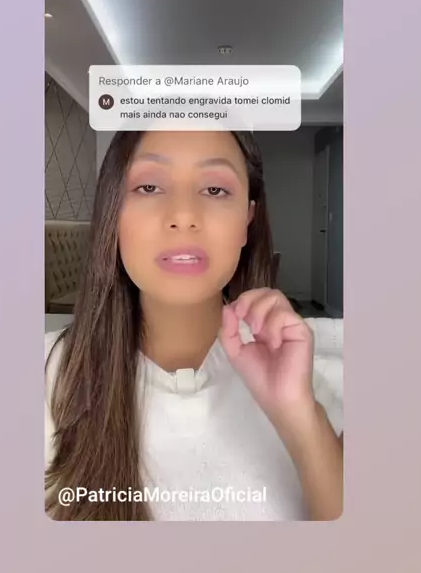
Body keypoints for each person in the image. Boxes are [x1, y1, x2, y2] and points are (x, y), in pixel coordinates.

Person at [45, 129, 343, 521]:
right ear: (112, 212)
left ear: (247, 219)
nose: (184, 216)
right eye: (149, 187)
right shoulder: (45, 376)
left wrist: (301, 418)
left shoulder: (319, 382)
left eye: (215, 190)